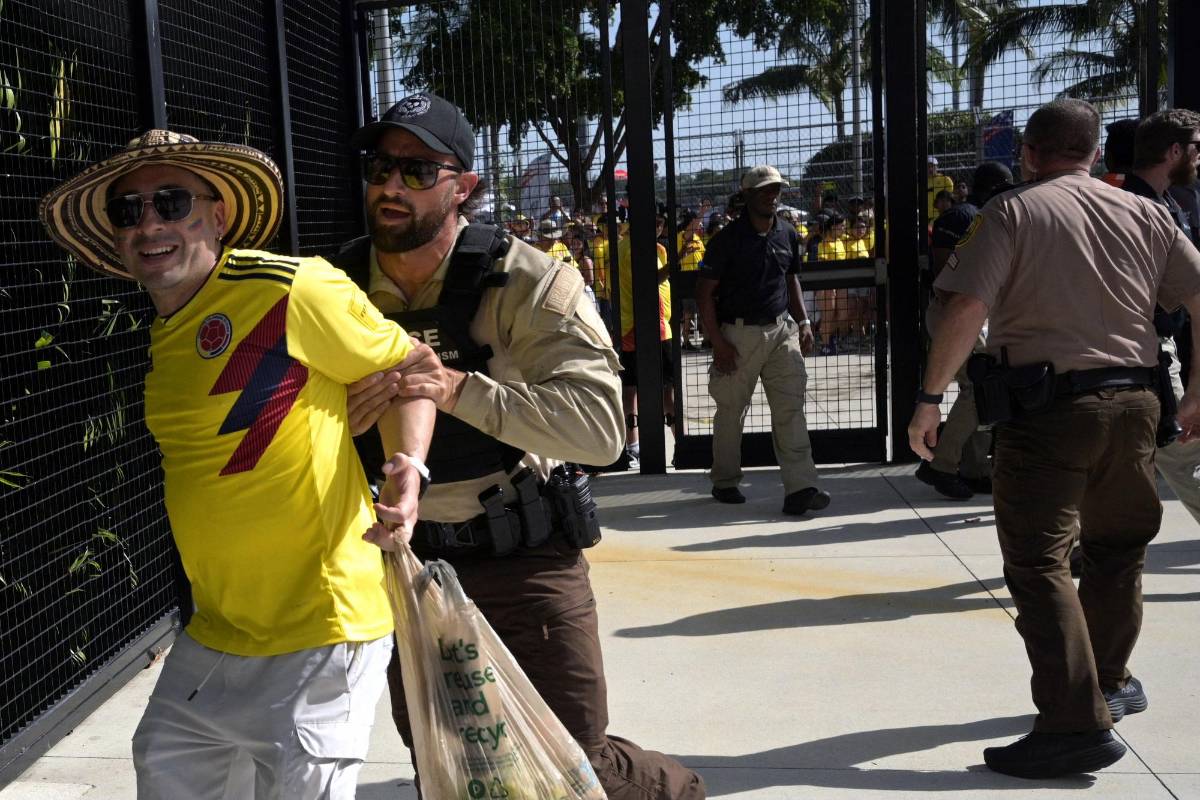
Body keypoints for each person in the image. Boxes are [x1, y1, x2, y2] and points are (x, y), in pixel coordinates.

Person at [38, 129, 436, 798]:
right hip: (219, 628)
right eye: (128, 210)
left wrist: (408, 472)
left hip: (322, 630)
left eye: (171, 202)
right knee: (163, 765)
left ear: (218, 216)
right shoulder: (165, 334)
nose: (149, 224)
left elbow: (413, 366)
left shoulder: (291, 289)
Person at [332, 92, 705, 799]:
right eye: (379, 167)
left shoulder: (527, 279)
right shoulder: (337, 289)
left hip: (523, 557)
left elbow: (600, 429)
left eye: (418, 171)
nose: (390, 186)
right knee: (457, 771)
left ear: (464, 187)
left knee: (575, 767)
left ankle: (677, 792)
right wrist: (343, 420)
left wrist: (456, 390)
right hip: (412, 569)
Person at [909, 98, 1200, 779]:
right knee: (1117, 550)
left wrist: (930, 399)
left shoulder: (1010, 212)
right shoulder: (1146, 212)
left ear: (1029, 153)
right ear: (1095, 153)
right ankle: (1109, 683)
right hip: (1137, 403)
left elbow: (966, 305)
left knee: (1039, 564)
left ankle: (1073, 724)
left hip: (1050, 414)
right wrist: (1197, 390)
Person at [696, 164, 829, 514]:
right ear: (747, 196)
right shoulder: (726, 241)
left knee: (790, 408)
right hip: (738, 335)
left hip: (782, 331)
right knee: (731, 411)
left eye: (777, 189)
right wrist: (718, 343)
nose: (773, 196)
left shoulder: (787, 233)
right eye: (765, 190)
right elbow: (704, 294)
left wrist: (803, 321)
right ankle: (725, 481)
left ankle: (801, 487)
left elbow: (791, 279)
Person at [916, 161, 1013, 500]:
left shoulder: (979, 216)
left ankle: (974, 469)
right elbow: (948, 277)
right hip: (959, 313)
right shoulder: (966, 217)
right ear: (999, 185)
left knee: (980, 389)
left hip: (971, 312)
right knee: (979, 388)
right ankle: (941, 465)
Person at [1123, 109, 1200, 522]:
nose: (1199, 156)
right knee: (1181, 453)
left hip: (1158, 348)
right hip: (1142, 352)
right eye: (1196, 147)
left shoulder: (1167, 203)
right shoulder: (1136, 209)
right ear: (1174, 151)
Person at [677, 208, 706, 350]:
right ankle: (686, 341)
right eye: (697, 222)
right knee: (689, 311)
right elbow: (690, 229)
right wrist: (702, 213)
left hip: (699, 276)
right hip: (686, 277)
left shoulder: (697, 238)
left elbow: (702, 256)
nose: (700, 224)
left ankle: (706, 340)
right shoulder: (683, 235)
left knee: (702, 309)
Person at [927, 155, 954, 221]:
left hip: (942, 214)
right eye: (928, 166)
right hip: (927, 215)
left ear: (936, 167)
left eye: (932, 166)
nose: (930, 169)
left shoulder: (946, 180)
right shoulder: (921, 182)